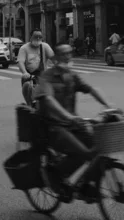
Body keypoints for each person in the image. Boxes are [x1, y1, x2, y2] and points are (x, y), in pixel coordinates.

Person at [34, 42, 113, 196]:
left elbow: (91, 90)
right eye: (63, 54)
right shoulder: (47, 76)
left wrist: (109, 106)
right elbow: (49, 100)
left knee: (98, 147)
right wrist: (68, 116)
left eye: (69, 53)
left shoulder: (71, 75)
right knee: (82, 152)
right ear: (56, 57)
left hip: (73, 124)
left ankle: (87, 185)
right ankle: (54, 175)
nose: (68, 56)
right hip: (53, 127)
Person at [17, 29, 54, 106]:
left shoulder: (45, 46)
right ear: (30, 37)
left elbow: (53, 58)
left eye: (40, 36)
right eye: (35, 36)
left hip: (42, 75)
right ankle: (29, 104)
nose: (38, 38)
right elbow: (20, 62)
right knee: (27, 86)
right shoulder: (24, 48)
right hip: (29, 75)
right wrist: (24, 72)